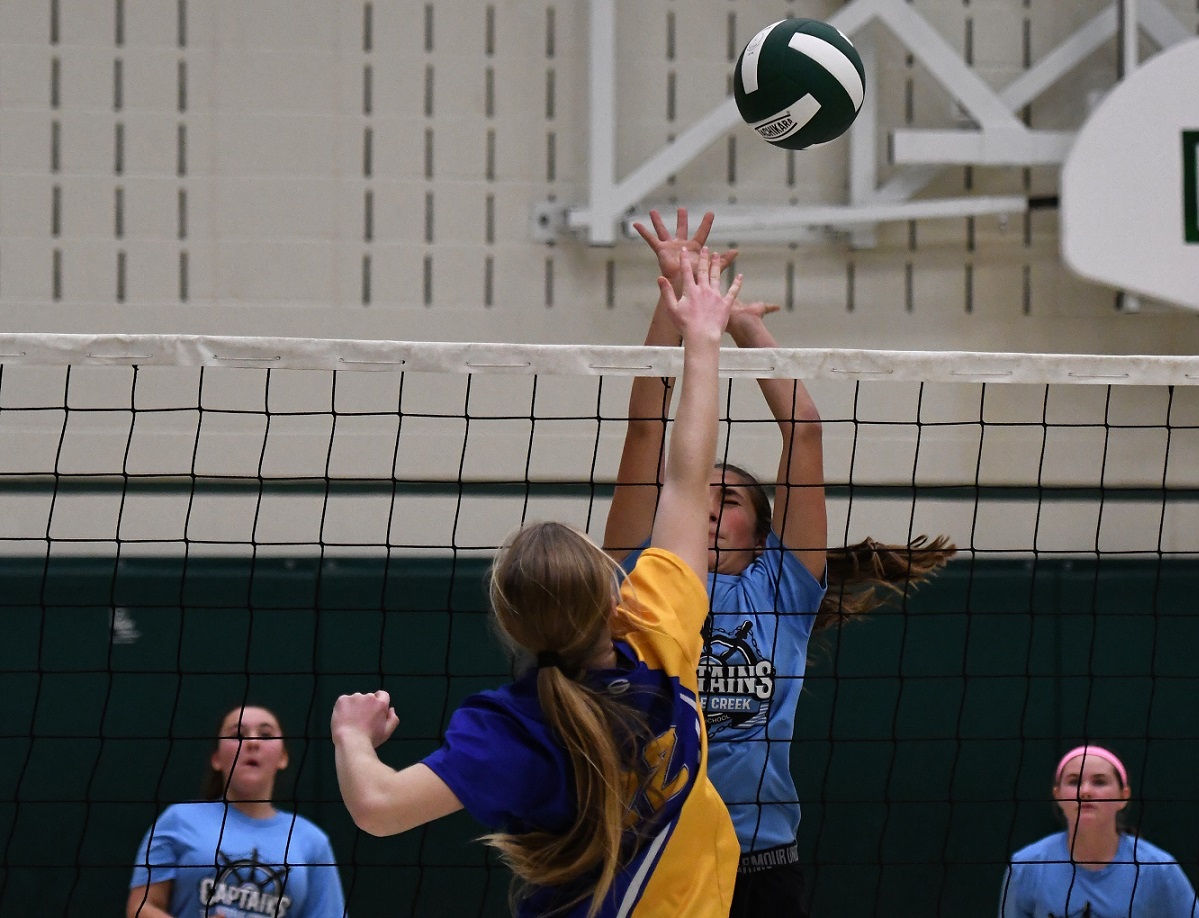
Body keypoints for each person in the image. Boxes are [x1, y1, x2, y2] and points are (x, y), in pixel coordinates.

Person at [330, 247, 742, 917]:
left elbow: (377, 808)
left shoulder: (514, 728)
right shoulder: (659, 630)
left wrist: (352, 734)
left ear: (512, 626)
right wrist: (702, 338)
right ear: (615, 597)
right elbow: (685, 477)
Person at [604, 209, 955, 918]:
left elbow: (805, 429)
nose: (704, 505)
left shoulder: (782, 588)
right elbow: (648, 427)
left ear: (761, 536)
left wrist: (739, 325)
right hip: (648, 850)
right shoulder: (639, 582)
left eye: (727, 498)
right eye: (697, 492)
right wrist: (676, 303)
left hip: (759, 859)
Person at [127, 704, 347, 918]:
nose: (252, 742)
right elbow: (140, 907)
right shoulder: (178, 820)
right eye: (237, 734)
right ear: (216, 758)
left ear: (283, 757)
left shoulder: (312, 841)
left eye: (266, 735)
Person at [999, 744, 1199, 918]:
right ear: (1058, 794)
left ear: (1123, 796)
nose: (1086, 791)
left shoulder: (1157, 868)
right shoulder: (1027, 866)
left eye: (1099, 782)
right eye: (1074, 782)